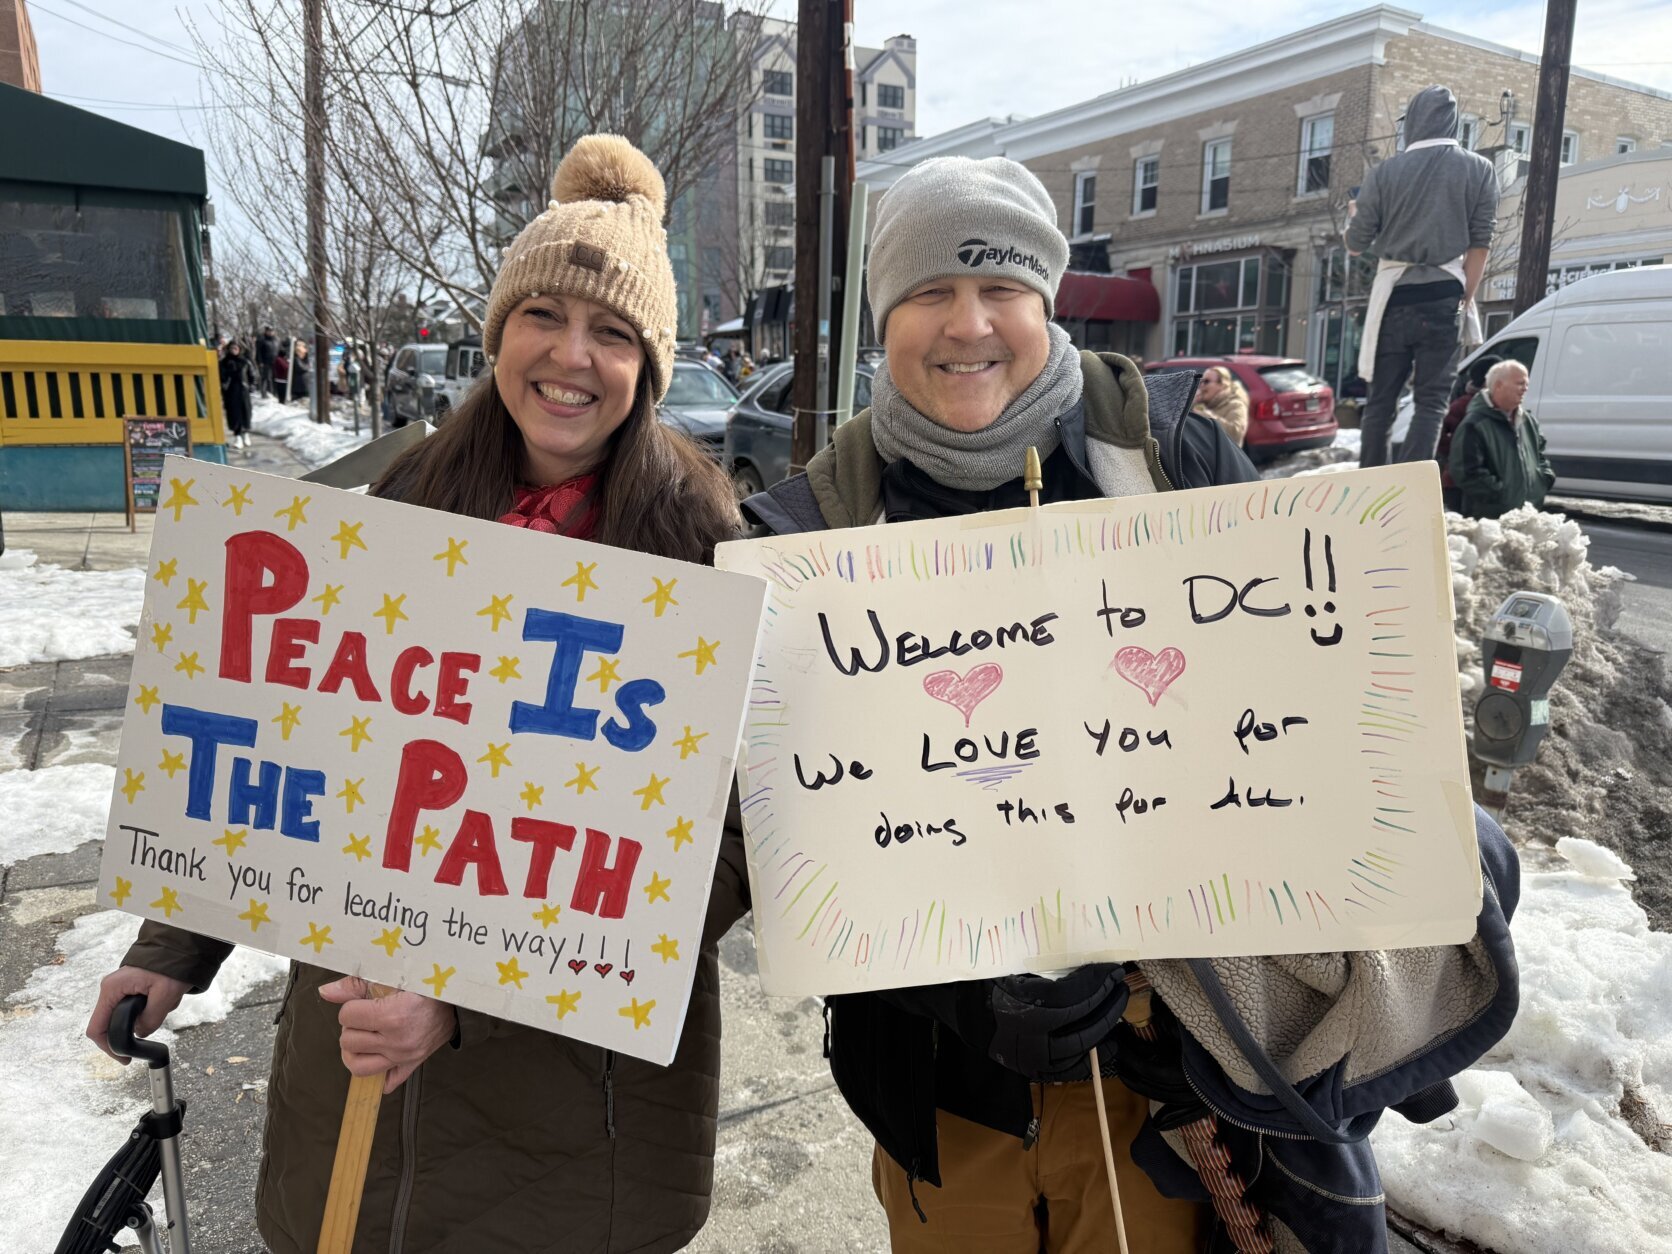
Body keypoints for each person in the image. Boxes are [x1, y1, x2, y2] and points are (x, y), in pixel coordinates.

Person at [742, 154, 1521, 1253]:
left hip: (1175, 1094)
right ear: (884, 315)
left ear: (1045, 299)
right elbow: (814, 839)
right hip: (943, 1096)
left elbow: (1304, 715)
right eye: (928, 291)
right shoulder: (806, 532)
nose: (968, 323)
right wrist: (970, 1000)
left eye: (1001, 286)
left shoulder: (1172, 458)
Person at [86, 135, 749, 1254]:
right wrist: (170, 947)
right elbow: (260, 747)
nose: (571, 357)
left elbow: (724, 851)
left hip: (572, 1119)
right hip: (346, 1065)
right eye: (543, 316)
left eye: (613, 333)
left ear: (648, 363)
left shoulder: (705, 555)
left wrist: (464, 1010)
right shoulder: (389, 506)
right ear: (499, 335)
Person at [1346, 85, 1498, 468]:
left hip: (1394, 296)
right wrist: (1464, 298)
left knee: (1381, 402)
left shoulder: (1385, 173)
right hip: (1445, 294)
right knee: (1431, 403)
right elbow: (1480, 245)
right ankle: (1412, 495)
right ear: (1452, 121)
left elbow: (1355, 243)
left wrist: (1353, 216)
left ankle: (1370, 489)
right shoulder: (1479, 168)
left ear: (1412, 122)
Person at [1449, 358, 1555, 519]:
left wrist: (1543, 480)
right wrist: (1501, 494)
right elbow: (1466, 472)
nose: (1525, 389)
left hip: (1528, 515)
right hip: (1490, 520)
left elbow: (1539, 455)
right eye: (1519, 384)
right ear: (1498, 385)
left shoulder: (1528, 421)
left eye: (1526, 384)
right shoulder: (1475, 424)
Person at [1436, 354, 1499, 510]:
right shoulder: (1463, 405)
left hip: (1485, 480)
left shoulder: (1500, 405)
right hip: (1458, 483)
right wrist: (1458, 450)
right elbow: (1440, 435)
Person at [1192, 363, 1249, 447]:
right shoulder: (1204, 404)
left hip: (1225, 457)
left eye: (1206, 381)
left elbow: (1236, 434)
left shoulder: (1236, 404)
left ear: (1222, 385)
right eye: (1201, 381)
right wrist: (1193, 402)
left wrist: (1205, 416)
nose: (1202, 385)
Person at [219, 338, 255, 451]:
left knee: (246, 412)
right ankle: (237, 436)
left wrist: (252, 385)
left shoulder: (245, 361)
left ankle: (246, 434)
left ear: (240, 349)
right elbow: (221, 377)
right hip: (231, 392)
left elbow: (252, 375)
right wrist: (225, 385)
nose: (234, 350)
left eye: (236, 348)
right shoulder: (224, 362)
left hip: (244, 391)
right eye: (231, 348)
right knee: (234, 414)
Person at [256, 325, 278, 396]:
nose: (270, 333)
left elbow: (279, 350)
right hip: (265, 362)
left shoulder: (276, 340)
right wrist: (260, 362)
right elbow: (258, 352)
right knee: (266, 377)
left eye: (272, 331)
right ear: (266, 331)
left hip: (275, 362)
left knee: (274, 377)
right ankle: (265, 392)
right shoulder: (262, 340)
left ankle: (274, 393)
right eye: (269, 331)